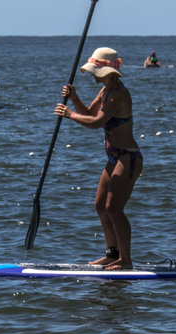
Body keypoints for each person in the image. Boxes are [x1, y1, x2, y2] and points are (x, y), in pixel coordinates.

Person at [54, 47, 143, 270]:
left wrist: (69, 114)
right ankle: (112, 254)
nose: (92, 75)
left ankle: (126, 260)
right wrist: (74, 99)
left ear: (107, 72)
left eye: (95, 71)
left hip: (128, 158)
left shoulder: (119, 94)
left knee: (114, 207)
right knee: (100, 206)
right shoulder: (105, 90)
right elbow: (90, 114)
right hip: (113, 158)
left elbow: (95, 123)